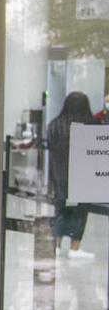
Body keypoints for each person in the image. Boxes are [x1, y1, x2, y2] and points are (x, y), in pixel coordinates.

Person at [47, 91, 97, 260]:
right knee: (80, 211)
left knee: (60, 209)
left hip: (59, 175)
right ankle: (75, 248)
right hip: (83, 175)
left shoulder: (54, 125)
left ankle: (57, 245)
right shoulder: (91, 124)